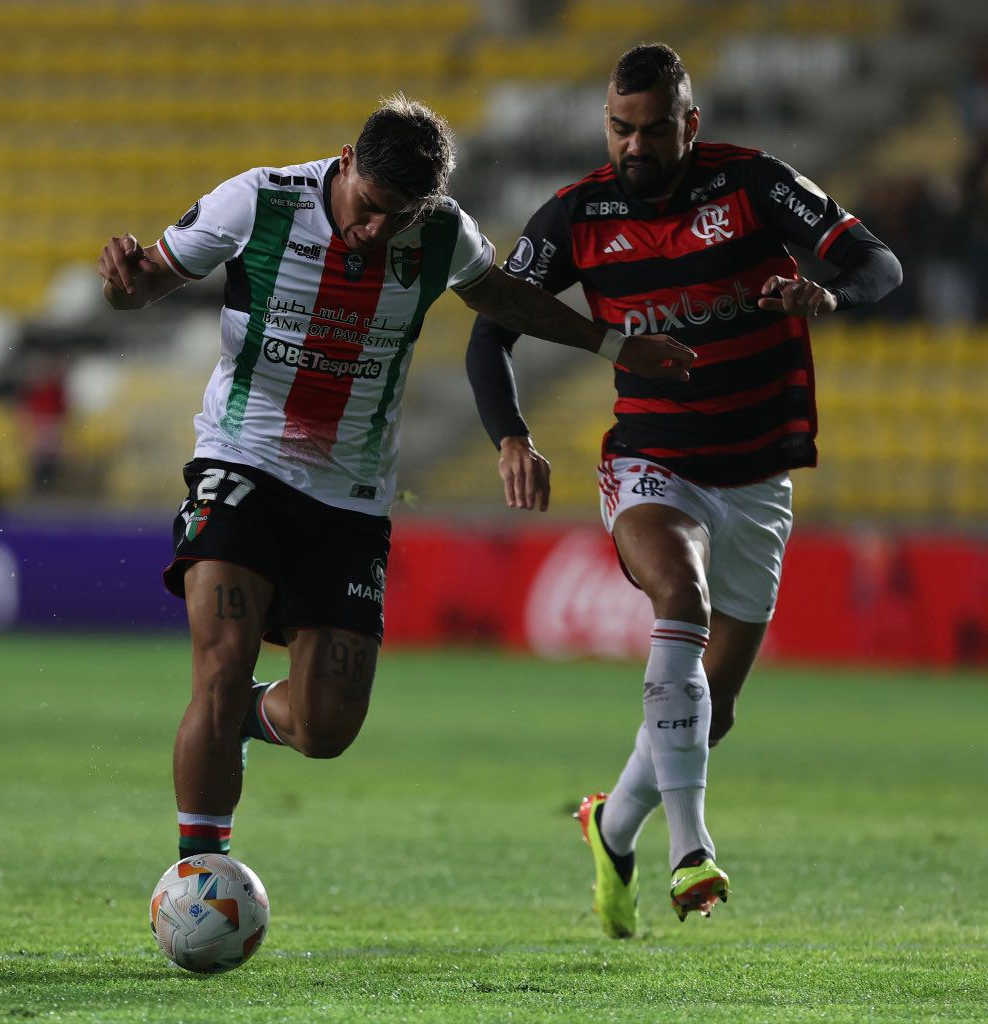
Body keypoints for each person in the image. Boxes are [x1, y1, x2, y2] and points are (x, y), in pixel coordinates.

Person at [97, 94, 696, 865]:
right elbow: (144, 282)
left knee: (326, 728)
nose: (376, 230)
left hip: (350, 499)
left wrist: (614, 347)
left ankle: (240, 719)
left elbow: (503, 298)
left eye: (399, 217)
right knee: (221, 662)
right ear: (346, 161)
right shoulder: (259, 200)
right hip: (242, 461)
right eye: (371, 207)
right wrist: (121, 284)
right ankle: (198, 879)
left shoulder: (442, 231)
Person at [466, 45, 902, 935]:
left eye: (652, 127)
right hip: (650, 461)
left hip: (757, 481)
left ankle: (613, 824)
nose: (634, 144)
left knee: (718, 707)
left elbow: (877, 266)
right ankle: (690, 849)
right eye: (619, 128)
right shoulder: (576, 215)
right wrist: (511, 435)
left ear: (688, 123)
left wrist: (822, 291)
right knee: (681, 591)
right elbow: (490, 332)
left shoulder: (754, 186)